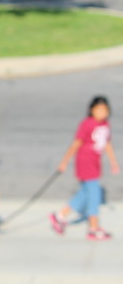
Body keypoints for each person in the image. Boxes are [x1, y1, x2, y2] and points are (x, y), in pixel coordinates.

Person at [49, 96, 119, 240]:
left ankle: (60, 216)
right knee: (94, 196)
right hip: (85, 162)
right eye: (98, 109)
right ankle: (93, 228)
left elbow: (107, 144)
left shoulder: (105, 124)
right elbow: (76, 144)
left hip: (95, 163)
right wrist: (64, 161)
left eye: (105, 110)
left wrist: (113, 162)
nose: (102, 113)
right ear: (91, 110)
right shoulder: (87, 124)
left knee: (84, 194)